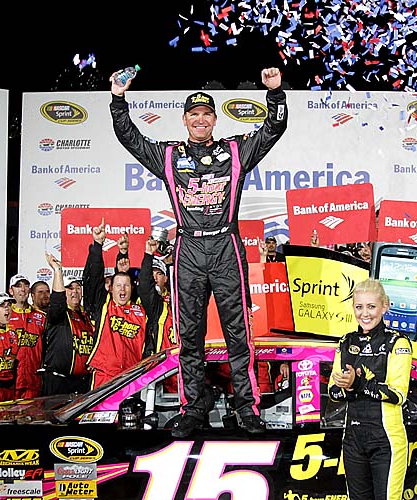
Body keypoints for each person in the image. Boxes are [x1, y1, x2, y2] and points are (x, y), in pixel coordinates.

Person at [110, 66, 288, 437]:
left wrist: (275, 94)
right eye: (194, 115)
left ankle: (247, 409)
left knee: (238, 334)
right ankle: (194, 410)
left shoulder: (235, 151)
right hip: (188, 247)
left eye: (207, 114)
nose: (201, 120)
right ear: (185, 120)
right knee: (188, 335)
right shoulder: (169, 155)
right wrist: (117, 98)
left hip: (226, 245)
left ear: (214, 120)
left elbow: (274, 129)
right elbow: (129, 137)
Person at [328, 279, 412, 500]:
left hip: (386, 440)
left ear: (385, 306)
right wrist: (347, 387)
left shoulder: (398, 342)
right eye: (359, 307)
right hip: (353, 440)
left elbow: (398, 395)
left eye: (371, 306)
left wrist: (357, 385)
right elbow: (333, 393)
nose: (365, 313)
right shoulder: (346, 342)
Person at [84, 220, 151, 388]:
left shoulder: (140, 309)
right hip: (104, 374)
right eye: (118, 286)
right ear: (110, 288)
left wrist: (123, 254)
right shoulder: (104, 305)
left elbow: (142, 285)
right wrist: (98, 245)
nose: (122, 289)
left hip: (133, 376)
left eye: (126, 285)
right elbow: (93, 278)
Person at [40, 253, 96, 395]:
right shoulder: (59, 314)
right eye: (70, 288)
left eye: (78, 287)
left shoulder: (86, 316)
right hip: (59, 383)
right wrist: (58, 271)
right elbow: (57, 301)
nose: (75, 291)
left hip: (82, 383)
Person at [139, 238, 179, 392]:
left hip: (182, 369)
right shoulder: (156, 304)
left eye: (159, 273)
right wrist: (148, 254)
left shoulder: (179, 301)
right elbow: (144, 287)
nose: (155, 277)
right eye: (152, 274)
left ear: (166, 278)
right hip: (159, 371)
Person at [9, 276, 47, 399]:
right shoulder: (4, 315)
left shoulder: (41, 317)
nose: (23, 289)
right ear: (11, 291)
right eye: (18, 286)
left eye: (25, 285)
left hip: (33, 381)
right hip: (9, 383)